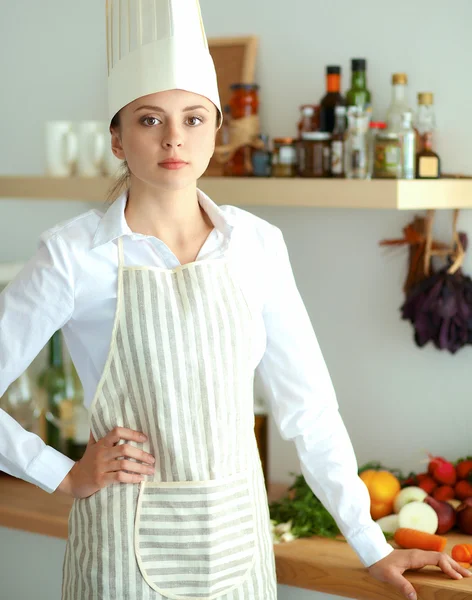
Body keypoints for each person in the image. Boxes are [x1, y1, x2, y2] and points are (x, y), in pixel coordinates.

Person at [0, 1, 470, 598]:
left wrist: (370, 543)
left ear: (217, 130)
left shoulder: (256, 245)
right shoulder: (74, 255)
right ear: (116, 139)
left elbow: (310, 409)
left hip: (239, 546)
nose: (175, 138)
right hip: (120, 551)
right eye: (149, 120)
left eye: (194, 118)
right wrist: (61, 473)